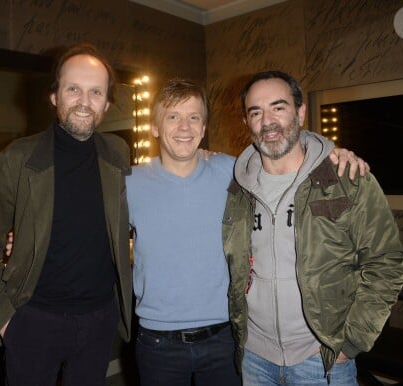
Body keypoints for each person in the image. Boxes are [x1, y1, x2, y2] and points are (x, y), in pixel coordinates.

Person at [126, 78, 368, 386]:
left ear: (203, 128)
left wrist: (334, 152)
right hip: (158, 342)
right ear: (155, 128)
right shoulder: (128, 184)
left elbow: (282, 145)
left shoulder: (236, 171)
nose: (184, 127)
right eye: (172, 117)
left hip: (226, 337)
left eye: (194, 117)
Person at [223, 70, 403, 385]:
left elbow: (386, 262)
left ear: (301, 112)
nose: (267, 121)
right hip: (255, 357)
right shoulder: (237, 189)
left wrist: (350, 343)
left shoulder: (347, 178)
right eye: (256, 112)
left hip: (321, 360)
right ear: (247, 123)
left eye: (278, 107)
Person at [0, 43, 133, 386]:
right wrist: (3, 317)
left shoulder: (118, 153)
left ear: (107, 103)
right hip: (34, 320)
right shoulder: (18, 157)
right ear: (55, 96)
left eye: (95, 92)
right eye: (73, 89)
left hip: (100, 318)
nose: (84, 102)